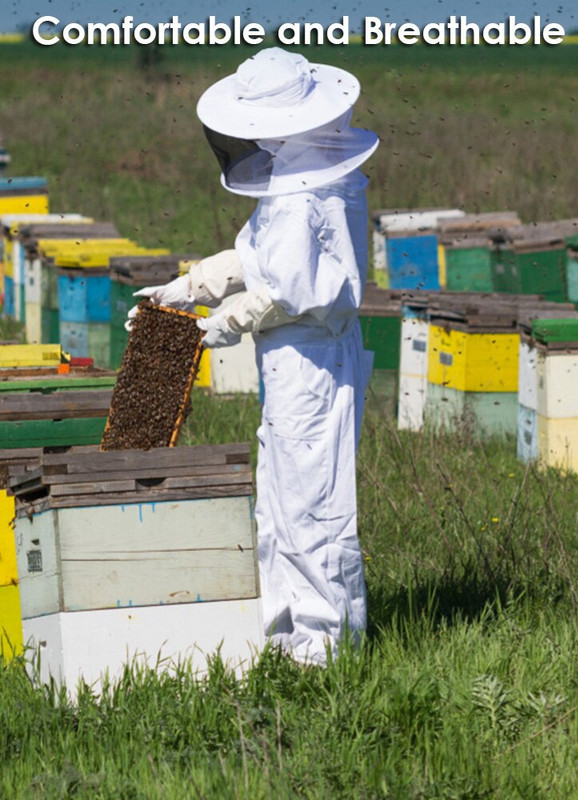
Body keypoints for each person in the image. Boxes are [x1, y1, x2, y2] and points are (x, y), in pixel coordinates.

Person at [130, 47, 379, 666]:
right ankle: (287, 633)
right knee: (278, 500)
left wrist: (219, 324)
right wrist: (186, 288)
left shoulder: (310, 192)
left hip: (312, 361)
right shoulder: (299, 175)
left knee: (313, 508)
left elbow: (287, 293)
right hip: (293, 359)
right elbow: (257, 259)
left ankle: (326, 650)